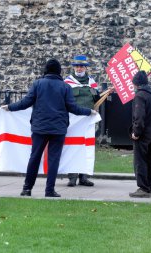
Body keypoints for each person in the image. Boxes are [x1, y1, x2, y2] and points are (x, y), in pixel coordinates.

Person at [1, 58, 96, 197]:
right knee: (54, 160)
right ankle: (49, 190)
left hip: (39, 127)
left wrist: (10, 107)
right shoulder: (65, 87)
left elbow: (26, 102)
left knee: (34, 158)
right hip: (58, 128)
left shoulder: (38, 84)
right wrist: (89, 112)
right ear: (59, 71)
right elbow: (73, 108)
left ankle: (27, 188)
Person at [64, 55, 99, 187]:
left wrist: (107, 92)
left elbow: (97, 98)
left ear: (86, 67)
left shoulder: (92, 82)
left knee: (86, 148)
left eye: (82, 66)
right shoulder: (67, 82)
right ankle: (72, 177)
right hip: (73, 120)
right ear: (74, 67)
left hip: (88, 120)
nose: (79, 68)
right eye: (77, 66)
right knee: (72, 147)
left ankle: (84, 177)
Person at [129, 71, 151, 198]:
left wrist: (136, 132)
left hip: (143, 134)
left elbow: (139, 117)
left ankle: (143, 188)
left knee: (140, 161)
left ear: (136, 84)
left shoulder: (140, 96)